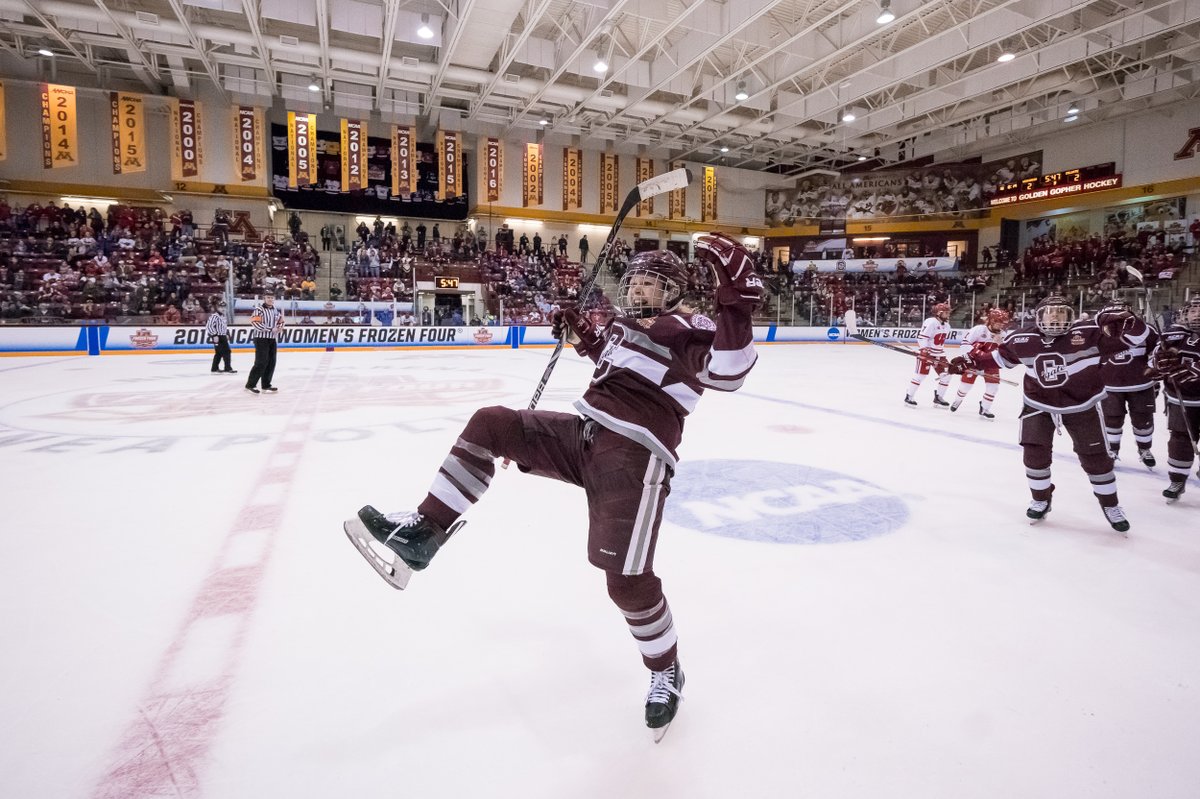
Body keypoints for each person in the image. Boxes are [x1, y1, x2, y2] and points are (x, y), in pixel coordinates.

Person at [342, 235, 763, 738]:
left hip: (631, 458)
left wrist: (736, 300)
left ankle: (665, 670)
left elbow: (730, 372)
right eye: (634, 282)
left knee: (625, 581)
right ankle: (424, 533)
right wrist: (585, 335)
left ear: (673, 290)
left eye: (650, 283)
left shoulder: (689, 328)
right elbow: (613, 365)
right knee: (492, 423)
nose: (638, 290)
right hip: (582, 435)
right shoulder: (625, 328)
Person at [951, 295, 1150, 532]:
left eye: (1061, 312)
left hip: (1081, 405)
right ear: (1039, 317)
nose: (1054, 317)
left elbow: (1137, 338)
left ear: (1071, 317)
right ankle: (1041, 498)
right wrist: (967, 361)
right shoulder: (1022, 338)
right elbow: (996, 358)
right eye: (1049, 312)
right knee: (1034, 455)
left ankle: (1110, 505)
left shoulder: (1090, 334)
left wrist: (1131, 321)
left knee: (1095, 458)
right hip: (1038, 404)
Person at [1099, 300, 1160, 468]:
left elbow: (1158, 351)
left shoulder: (1146, 329)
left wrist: (1156, 368)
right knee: (1112, 420)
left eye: (1122, 314)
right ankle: (1112, 450)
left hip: (1141, 385)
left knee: (1143, 419)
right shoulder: (1097, 333)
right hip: (1110, 386)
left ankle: (1144, 449)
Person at [1152, 297, 1200, 501]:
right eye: (1194, 311)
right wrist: (1160, 361)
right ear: (1185, 313)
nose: (1197, 315)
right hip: (1181, 398)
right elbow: (1153, 358)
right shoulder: (1173, 335)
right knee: (1180, 439)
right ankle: (1177, 479)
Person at [951, 308, 1008, 418]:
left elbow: (1005, 354)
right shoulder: (979, 330)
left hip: (991, 364)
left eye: (1002, 323)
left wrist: (1000, 345)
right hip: (974, 362)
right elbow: (964, 344)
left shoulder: (1003, 335)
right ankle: (958, 400)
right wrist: (977, 354)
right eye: (999, 322)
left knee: (993, 387)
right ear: (992, 320)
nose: (1001, 325)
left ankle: (985, 408)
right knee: (965, 386)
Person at [904, 302, 953, 407]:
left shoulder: (947, 326)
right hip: (927, 353)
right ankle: (909, 396)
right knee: (921, 376)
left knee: (946, 376)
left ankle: (938, 397)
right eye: (946, 312)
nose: (948, 314)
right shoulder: (931, 322)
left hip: (940, 354)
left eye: (948, 312)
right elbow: (922, 337)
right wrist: (924, 351)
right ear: (939, 313)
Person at [245, 294, 283, 394]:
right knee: (261, 362)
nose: (270, 299)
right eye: (268, 297)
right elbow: (255, 323)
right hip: (261, 338)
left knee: (271, 362)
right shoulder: (259, 309)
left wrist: (279, 327)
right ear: (264, 299)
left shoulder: (275, 310)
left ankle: (266, 385)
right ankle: (250, 385)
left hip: (272, 339)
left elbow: (281, 321)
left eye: (272, 297)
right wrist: (271, 329)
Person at [205, 300, 236, 374]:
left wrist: (227, 334)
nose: (223, 309)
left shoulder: (223, 316)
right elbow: (209, 326)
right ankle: (227, 368)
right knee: (227, 351)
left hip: (222, 336)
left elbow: (224, 327)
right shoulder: (214, 316)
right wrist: (214, 335)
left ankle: (214, 368)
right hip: (218, 337)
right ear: (217, 307)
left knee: (219, 353)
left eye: (224, 307)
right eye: (220, 307)